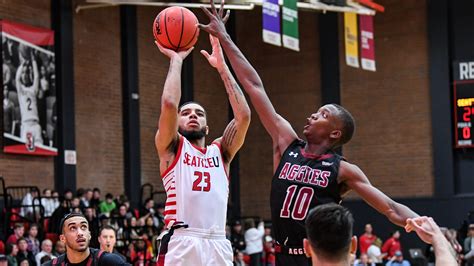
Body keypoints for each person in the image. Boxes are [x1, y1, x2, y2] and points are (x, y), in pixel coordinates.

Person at [198, 1, 419, 265]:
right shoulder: (285, 142)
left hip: (317, 258)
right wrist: (224, 36)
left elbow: (390, 208)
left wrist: (424, 225)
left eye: (323, 114)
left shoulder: (343, 170)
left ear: (335, 134)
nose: (313, 115)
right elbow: (255, 86)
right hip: (281, 257)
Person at [154, 21, 251, 265]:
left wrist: (221, 67)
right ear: (176, 124)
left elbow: (244, 116)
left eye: (199, 113)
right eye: (186, 113)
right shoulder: (171, 147)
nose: (193, 115)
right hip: (182, 240)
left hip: (218, 241)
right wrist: (176, 60)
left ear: (207, 127)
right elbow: (168, 104)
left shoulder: (222, 151)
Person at [42, 212, 128, 265]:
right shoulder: (53, 264)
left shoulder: (109, 261)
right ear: (63, 238)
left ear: (89, 235)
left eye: (83, 227)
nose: (80, 233)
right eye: (73, 228)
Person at [15, 49, 43, 146]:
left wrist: (33, 60)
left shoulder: (33, 90)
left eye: (27, 74)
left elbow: (36, 77)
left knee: (40, 150)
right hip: (26, 126)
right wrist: (22, 64)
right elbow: (17, 78)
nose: (25, 76)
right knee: (28, 150)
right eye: (24, 74)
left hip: (35, 125)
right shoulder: (21, 91)